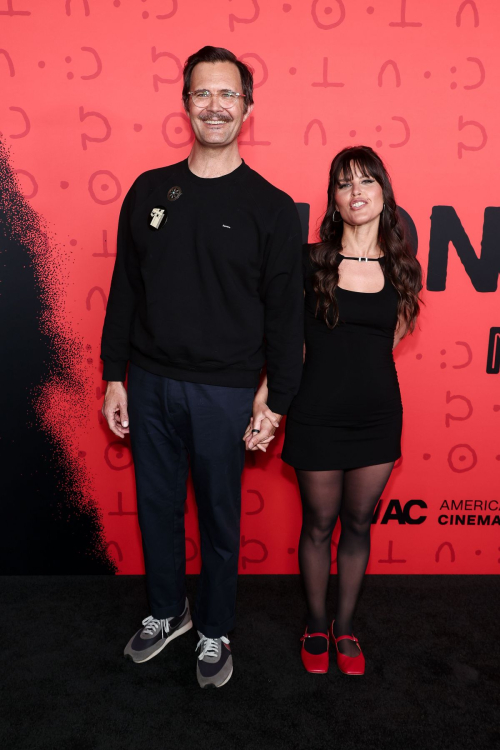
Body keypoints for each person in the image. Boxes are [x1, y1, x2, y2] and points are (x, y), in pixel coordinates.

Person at [100, 46, 303, 688]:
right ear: (185, 102)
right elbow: (125, 290)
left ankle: (214, 628)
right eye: (202, 94)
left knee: (218, 517)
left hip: (227, 390)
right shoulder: (149, 189)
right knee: (156, 507)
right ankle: (168, 612)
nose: (214, 106)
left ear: (247, 107)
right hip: (151, 382)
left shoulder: (272, 206)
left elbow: (285, 316)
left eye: (228, 95)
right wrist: (114, 375)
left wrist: (275, 398)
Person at [246, 145, 422, 676]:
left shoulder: (403, 269)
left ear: (384, 193)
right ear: (334, 200)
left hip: (376, 417)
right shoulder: (311, 261)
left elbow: (389, 341)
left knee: (359, 525)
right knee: (318, 525)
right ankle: (316, 625)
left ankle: (346, 628)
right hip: (316, 413)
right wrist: (267, 399)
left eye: (367, 181)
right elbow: (286, 342)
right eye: (344, 184)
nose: (357, 191)